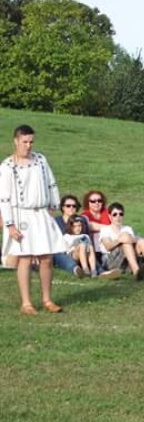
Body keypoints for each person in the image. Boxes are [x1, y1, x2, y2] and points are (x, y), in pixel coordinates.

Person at [0, 124, 66, 314]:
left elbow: (51, 183)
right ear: (16, 141)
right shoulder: (7, 166)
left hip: (41, 214)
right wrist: (10, 225)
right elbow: (4, 198)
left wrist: (54, 204)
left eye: (31, 142)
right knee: (25, 258)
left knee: (46, 257)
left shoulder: (40, 160)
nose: (28, 146)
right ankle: (26, 303)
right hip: (21, 215)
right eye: (25, 142)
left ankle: (47, 300)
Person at [98, 202, 144, 279]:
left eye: (121, 214)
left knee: (141, 241)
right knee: (125, 241)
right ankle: (136, 271)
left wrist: (130, 239)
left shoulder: (128, 228)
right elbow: (108, 246)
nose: (118, 217)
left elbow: (136, 241)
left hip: (127, 259)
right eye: (115, 214)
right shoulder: (105, 230)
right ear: (110, 216)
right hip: (110, 260)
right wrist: (120, 240)